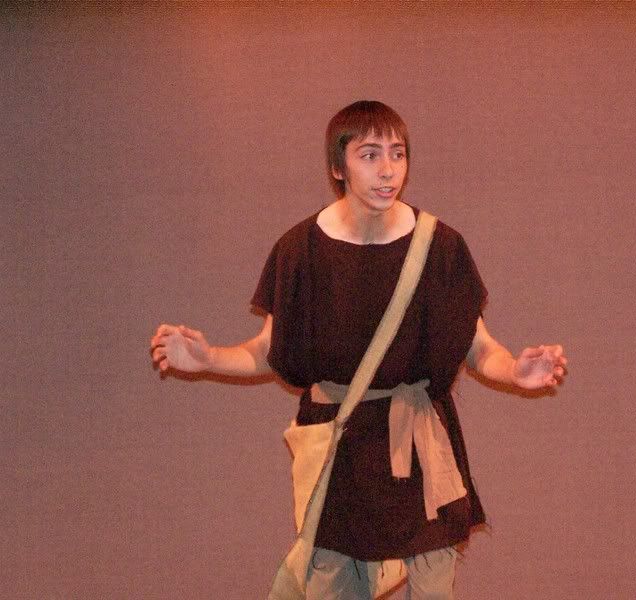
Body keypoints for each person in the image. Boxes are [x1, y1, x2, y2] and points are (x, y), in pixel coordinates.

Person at [150, 100, 567, 600]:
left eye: (397, 153)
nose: (388, 169)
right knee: (332, 586)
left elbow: (478, 348)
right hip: (339, 446)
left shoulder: (440, 247)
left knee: (434, 586)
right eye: (370, 154)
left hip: (417, 443)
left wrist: (514, 369)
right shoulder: (300, 250)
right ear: (338, 166)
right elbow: (267, 351)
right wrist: (208, 358)